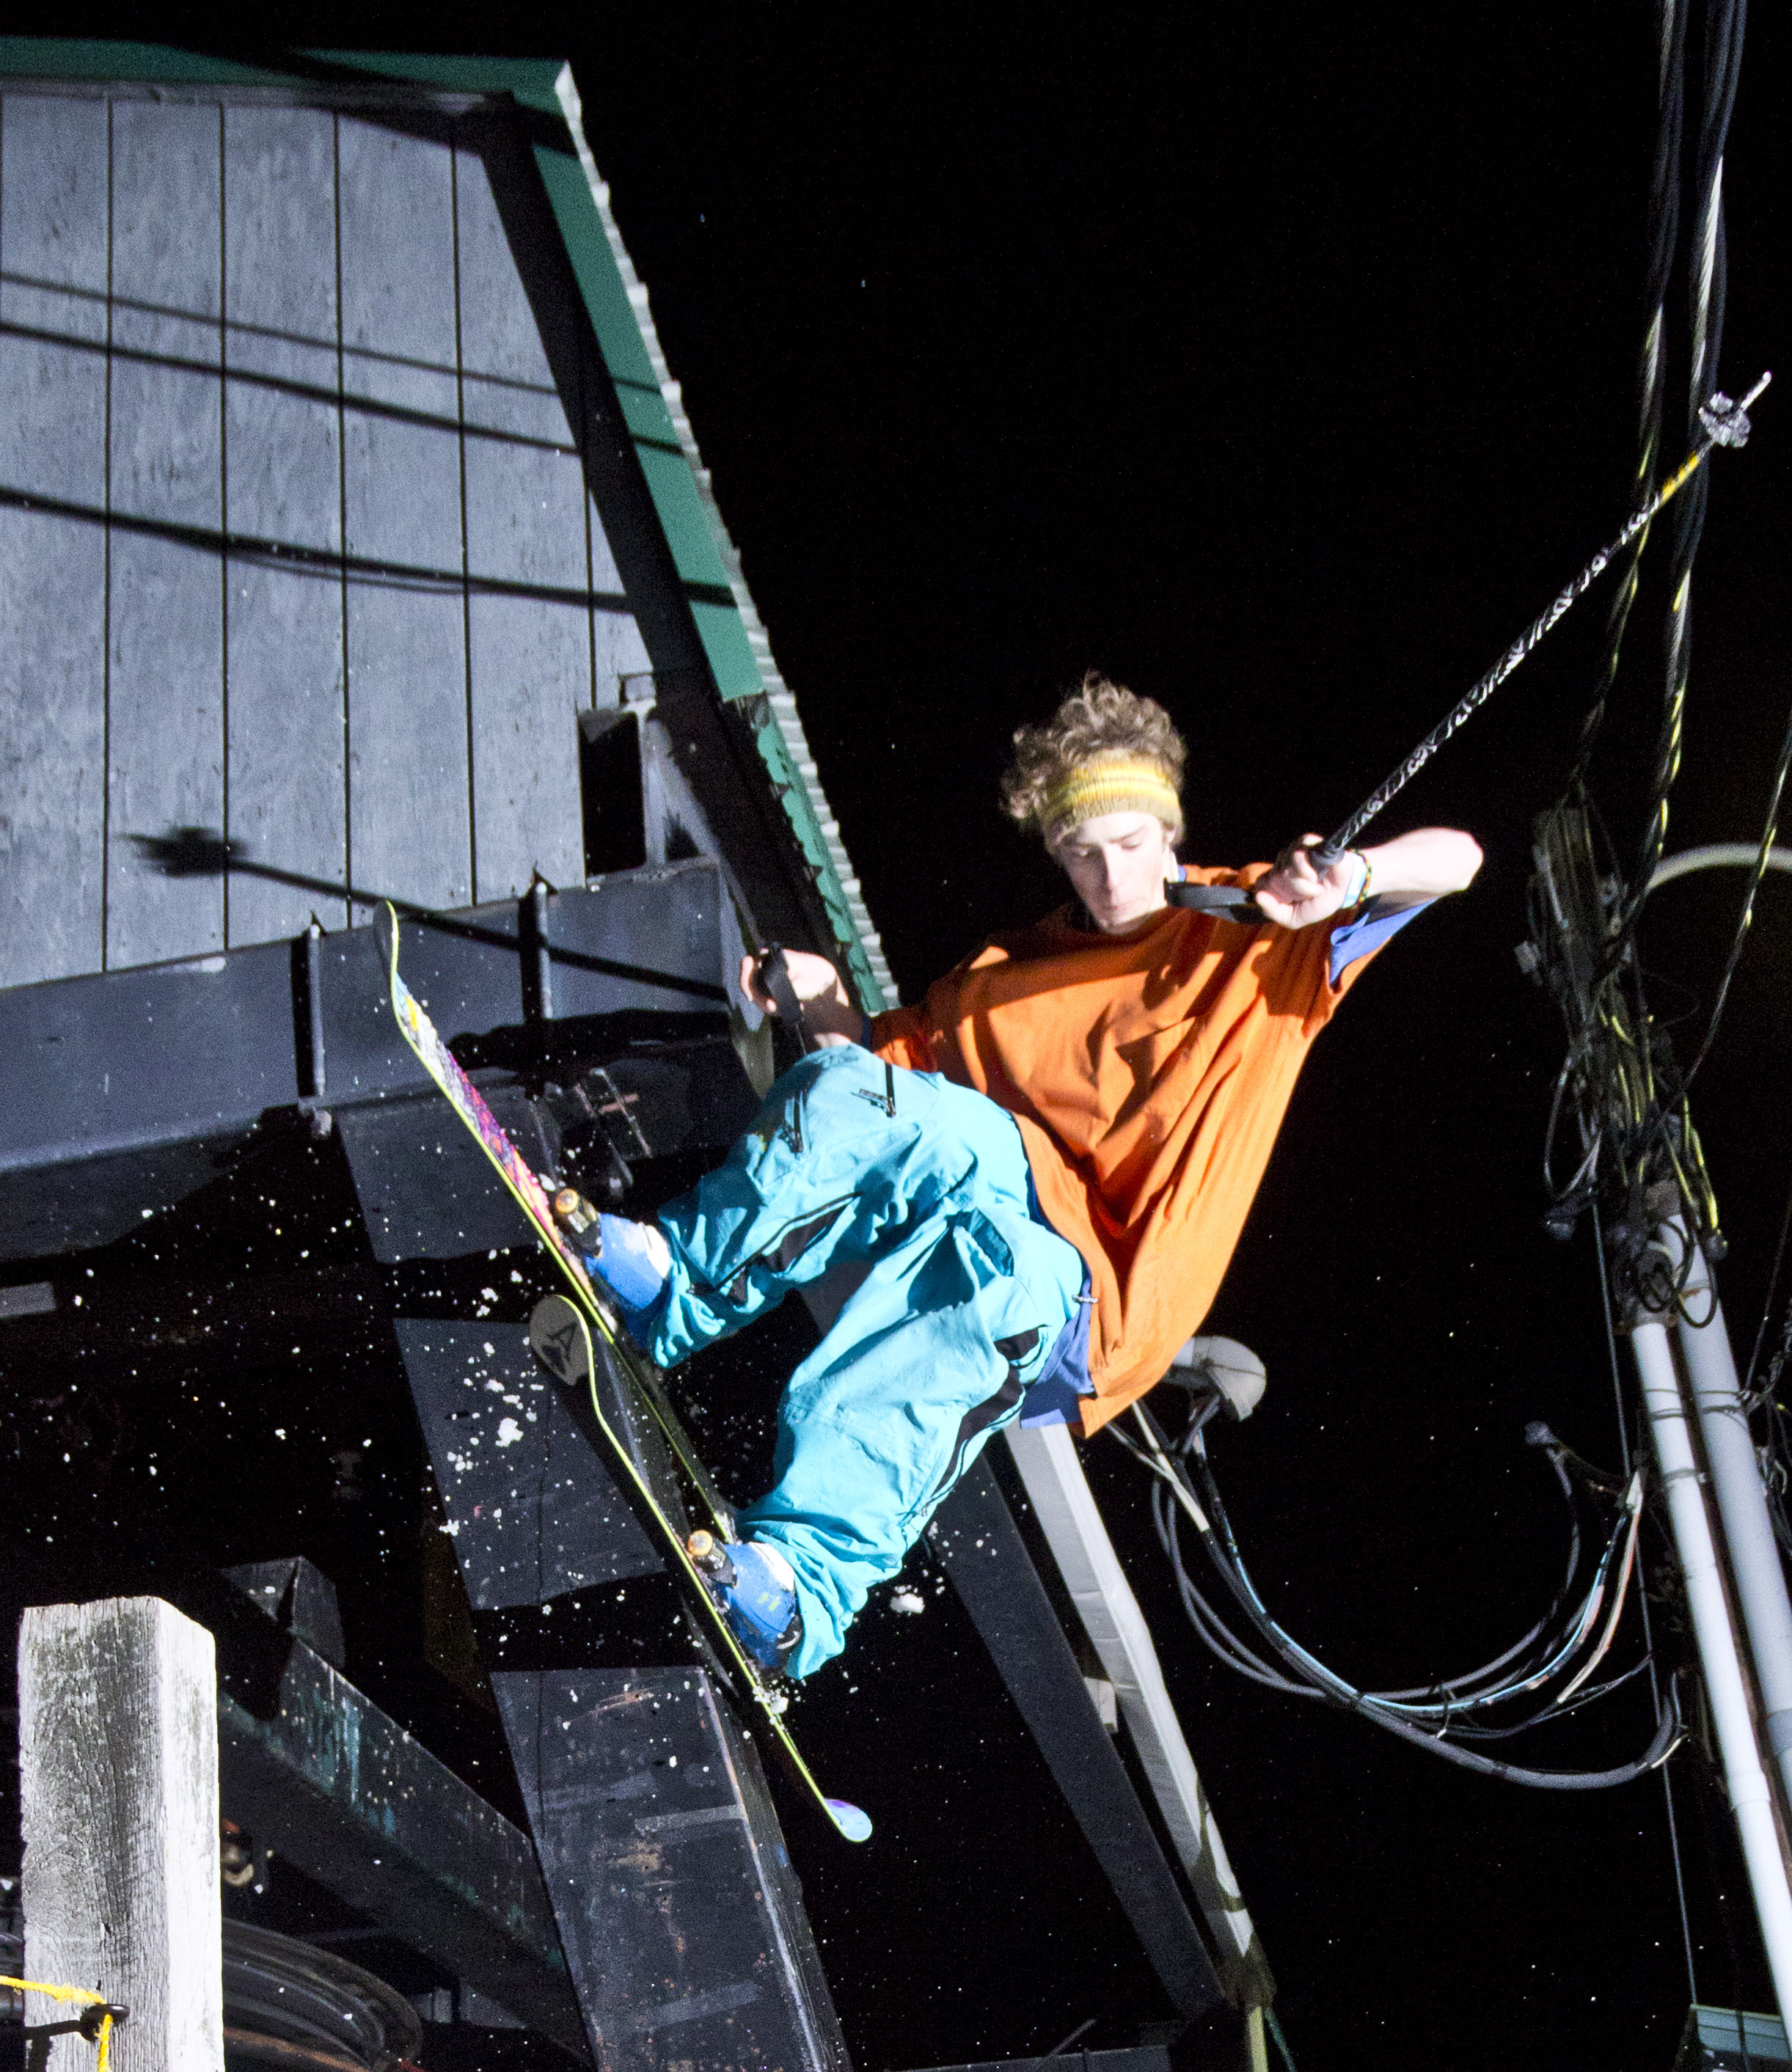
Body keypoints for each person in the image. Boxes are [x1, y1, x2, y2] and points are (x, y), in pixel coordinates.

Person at [557, 676, 1482, 1677]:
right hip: (995, 1184)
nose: (1112, 875)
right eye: (1083, 852)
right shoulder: (1006, 974)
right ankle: (675, 1282)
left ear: (1170, 832)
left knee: (990, 1287)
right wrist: (819, 1000)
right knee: (849, 1087)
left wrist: (1352, 878)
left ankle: (802, 1590)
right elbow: (878, 1104)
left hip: (1097, 1294)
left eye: (1132, 845)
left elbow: (1460, 859)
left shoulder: (1262, 939)